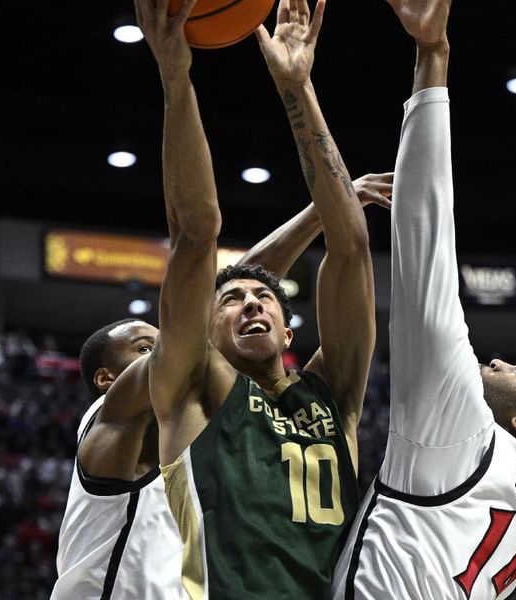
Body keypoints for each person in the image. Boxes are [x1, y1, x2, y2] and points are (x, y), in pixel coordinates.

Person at [331, 1, 516, 598]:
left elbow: (426, 245)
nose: (501, 361)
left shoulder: (464, 433)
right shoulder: (513, 527)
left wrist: (432, 57)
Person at [134, 0, 376, 596]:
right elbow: (195, 233)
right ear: (202, 330)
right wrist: (175, 76)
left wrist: (298, 87)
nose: (250, 303)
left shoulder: (334, 395)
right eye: (230, 299)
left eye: (262, 297)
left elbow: (351, 248)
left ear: (289, 333)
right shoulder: (192, 388)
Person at [51, 318, 185, 599]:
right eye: (146, 348)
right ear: (106, 378)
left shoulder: (179, 438)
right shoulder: (112, 418)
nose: (165, 353)